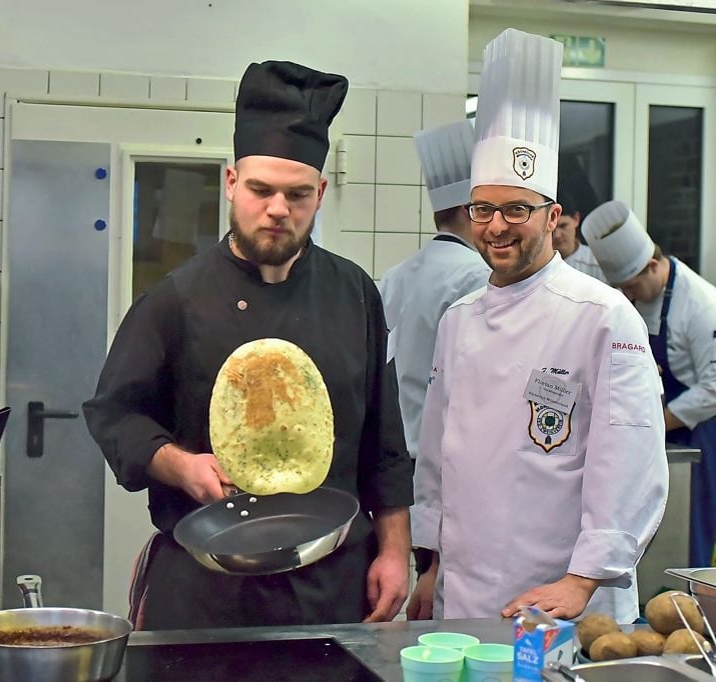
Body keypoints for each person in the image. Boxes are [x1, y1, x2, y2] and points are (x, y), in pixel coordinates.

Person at [83, 60, 413, 630]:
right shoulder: (177, 300)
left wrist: (393, 550)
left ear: (321, 193)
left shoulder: (355, 292)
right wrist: (180, 466)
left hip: (334, 581)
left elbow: (384, 438)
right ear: (233, 183)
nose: (278, 210)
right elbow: (115, 415)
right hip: (207, 585)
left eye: (298, 195)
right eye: (261, 190)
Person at [409, 29, 668, 624]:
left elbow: (628, 457)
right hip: (463, 590)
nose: (497, 226)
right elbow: (436, 455)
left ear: (552, 217)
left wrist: (581, 582)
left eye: (516, 210)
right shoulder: (458, 320)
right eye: (483, 209)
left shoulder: (603, 316)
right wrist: (432, 567)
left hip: (561, 596)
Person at [584, 200, 716, 567]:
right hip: (665, 426)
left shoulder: (702, 305)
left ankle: (688, 606)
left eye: (631, 286)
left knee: (694, 531)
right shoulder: (647, 296)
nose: (628, 296)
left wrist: (658, 420)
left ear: (653, 266)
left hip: (703, 434)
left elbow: (713, 388)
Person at [379, 119, 489, 461]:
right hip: (444, 459)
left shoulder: (394, 276)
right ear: (470, 211)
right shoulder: (478, 277)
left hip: (396, 457)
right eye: (487, 209)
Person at [553, 185, 607, 282]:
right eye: (552, 228)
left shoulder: (598, 264)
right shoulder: (534, 267)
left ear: (576, 219)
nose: (557, 235)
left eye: (563, 226)